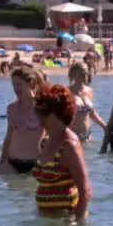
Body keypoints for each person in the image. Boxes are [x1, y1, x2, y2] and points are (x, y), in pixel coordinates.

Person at [31, 84, 92, 217]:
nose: (39, 117)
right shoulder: (45, 141)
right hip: (45, 221)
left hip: (66, 222)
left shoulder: (69, 145)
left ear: (56, 114)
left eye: (43, 113)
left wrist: (76, 225)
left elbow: (85, 191)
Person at [0, 67, 45, 174]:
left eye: (19, 84)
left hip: (36, 163)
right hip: (13, 162)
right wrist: (1, 163)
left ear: (31, 84)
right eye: (13, 85)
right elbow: (8, 139)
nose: (16, 88)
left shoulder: (42, 107)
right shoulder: (12, 108)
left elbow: (53, 136)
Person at [65, 63, 109, 144]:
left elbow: (92, 113)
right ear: (74, 73)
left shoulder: (89, 91)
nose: (85, 75)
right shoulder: (67, 92)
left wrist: (104, 127)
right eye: (82, 74)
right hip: (72, 135)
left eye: (86, 73)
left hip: (87, 135)